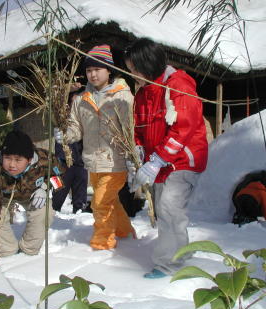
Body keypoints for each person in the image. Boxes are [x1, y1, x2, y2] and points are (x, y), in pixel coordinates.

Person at [124, 38, 208, 278]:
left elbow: (184, 127)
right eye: (130, 69)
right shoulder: (143, 94)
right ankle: (180, 253)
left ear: (148, 64)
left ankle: (170, 265)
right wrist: (138, 154)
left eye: (134, 68)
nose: (132, 74)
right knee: (165, 210)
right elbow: (138, 130)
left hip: (183, 159)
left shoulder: (177, 85)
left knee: (170, 208)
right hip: (158, 163)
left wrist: (158, 159)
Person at [55, 44, 136, 250]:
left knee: (100, 202)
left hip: (115, 161)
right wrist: (65, 135)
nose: (92, 74)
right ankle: (124, 230)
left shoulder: (123, 96)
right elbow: (76, 129)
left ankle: (103, 243)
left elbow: (131, 129)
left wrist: (133, 156)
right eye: (89, 70)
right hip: (92, 160)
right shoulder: (81, 99)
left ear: (109, 70)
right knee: (110, 201)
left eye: (97, 69)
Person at [0, 130, 64, 261]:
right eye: (7, 158)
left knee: (44, 211)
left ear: (29, 160)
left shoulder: (45, 160)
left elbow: (61, 177)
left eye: (18, 160)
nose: (12, 165)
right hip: (5, 197)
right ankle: (7, 250)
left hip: (33, 195)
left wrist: (45, 187)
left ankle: (29, 251)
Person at [52, 140, 89, 213]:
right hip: (61, 162)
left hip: (81, 163)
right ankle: (52, 213)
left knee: (80, 200)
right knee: (57, 195)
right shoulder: (60, 129)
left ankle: (80, 214)